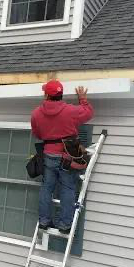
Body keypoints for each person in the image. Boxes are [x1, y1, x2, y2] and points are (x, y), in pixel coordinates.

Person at [30, 80, 93, 234]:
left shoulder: (36, 113)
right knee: (68, 188)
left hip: (49, 154)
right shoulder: (70, 111)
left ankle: (44, 221)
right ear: (61, 94)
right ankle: (65, 225)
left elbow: (37, 134)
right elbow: (88, 113)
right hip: (68, 155)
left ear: (46, 95)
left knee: (47, 188)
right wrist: (83, 99)